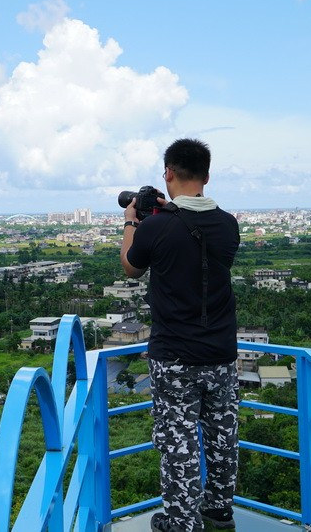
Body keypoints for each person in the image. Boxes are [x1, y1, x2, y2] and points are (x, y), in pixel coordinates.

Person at [119, 138, 240, 532]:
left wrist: (132, 221)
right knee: (222, 432)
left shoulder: (155, 226)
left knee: (178, 440)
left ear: (168, 172)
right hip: (220, 352)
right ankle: (220, 509)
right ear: (206, 175)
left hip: (173, 356)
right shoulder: (228, 224)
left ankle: (180, 521)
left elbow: (131, 268)